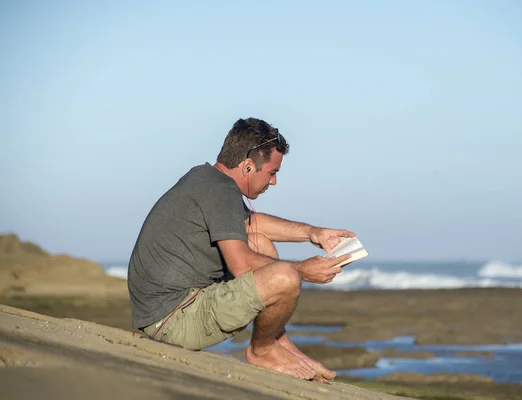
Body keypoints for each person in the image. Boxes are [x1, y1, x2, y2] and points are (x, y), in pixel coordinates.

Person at [127, 117, 355, 382]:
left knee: (261, 242)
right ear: (247, 166)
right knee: (286, 277)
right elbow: (242, 265)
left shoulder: (208, 179)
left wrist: (314, 233)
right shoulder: (221, 191)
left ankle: (277, 341)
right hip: (174, 318)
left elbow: (251, 224)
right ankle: (262, 350)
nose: (273, 182)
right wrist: (303, 270)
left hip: (165, 308)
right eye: (272, 173)